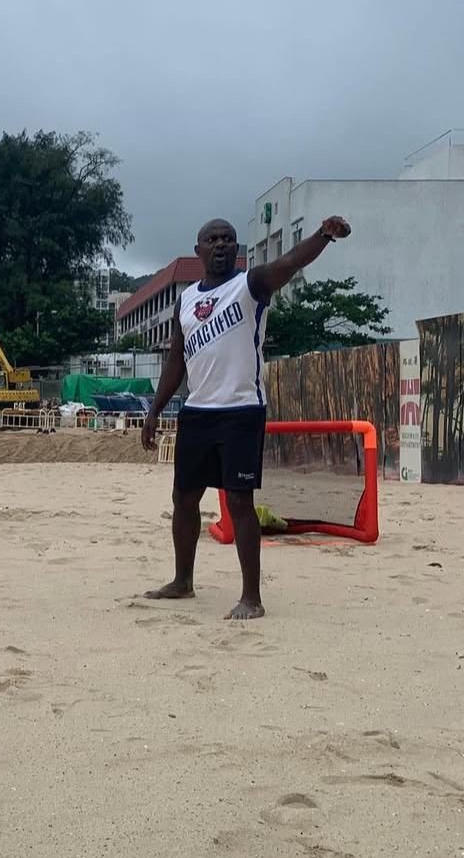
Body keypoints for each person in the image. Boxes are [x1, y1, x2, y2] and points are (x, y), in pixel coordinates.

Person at [142, 214, 351, 619]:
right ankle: (183, 581)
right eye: (212, 239)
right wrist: (154, 410)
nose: (221, 244)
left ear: (236, 249)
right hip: (198, 412)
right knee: (184, 498)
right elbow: (176, 360)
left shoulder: (250, 285)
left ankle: (251, 597)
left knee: (239, 501)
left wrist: (323, 236)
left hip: (241, 411)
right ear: (198, 248)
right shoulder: (185, 301)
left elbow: (289, 262)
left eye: (228, 239)